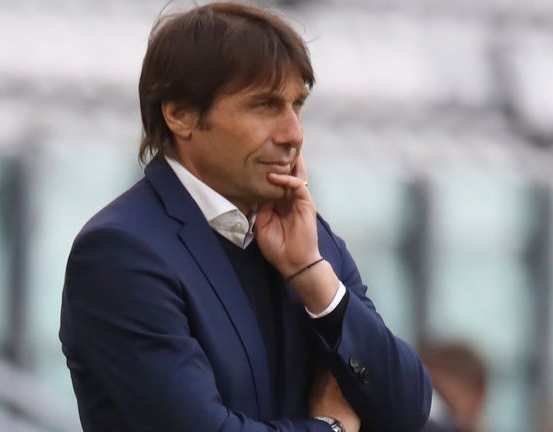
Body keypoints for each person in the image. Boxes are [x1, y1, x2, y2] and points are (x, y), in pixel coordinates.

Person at [59, 3, 431, 431]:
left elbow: (407, 410)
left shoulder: (309, 239)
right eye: (265, 105)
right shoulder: (121, 253)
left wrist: (312, 277)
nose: (293, 134)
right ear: (179, 113)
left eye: (297, 105)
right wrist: (334, 428)